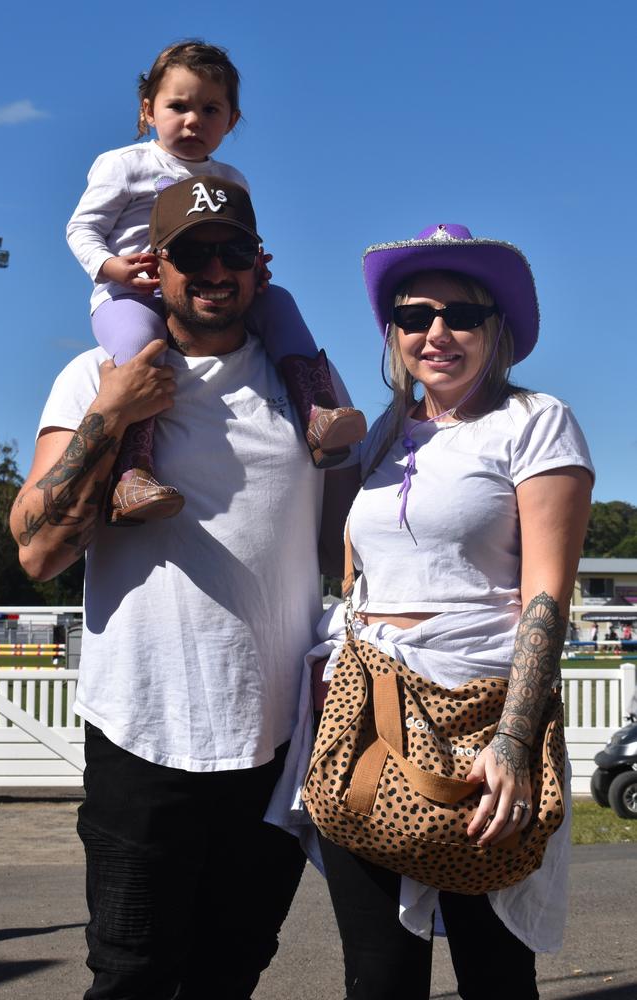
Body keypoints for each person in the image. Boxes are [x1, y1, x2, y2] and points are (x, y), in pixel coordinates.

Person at [11, 175, 359, 1000]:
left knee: (230, 972)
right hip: (144, 731)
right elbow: (36, 550)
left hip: (277, 739)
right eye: (191, 253)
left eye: (231, 249)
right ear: (153, 268)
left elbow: (347, 542)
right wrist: (111, 414)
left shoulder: (302, 384)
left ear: (259, 264)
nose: (214, 269)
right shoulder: (95, 373)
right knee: (131, 976)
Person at [277, 223, 594, 1000]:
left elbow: (546, 595)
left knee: (493, 974)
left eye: (462, 315)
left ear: (500, 330)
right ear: (394, 333)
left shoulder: (536, 421)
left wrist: (515, 742)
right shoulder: (384, 436)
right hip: (366, 717)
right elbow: (353, 570)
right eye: (416, 317)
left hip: (482, 719)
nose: (437, 332)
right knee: (378, 976)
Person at [67, 39, 365, 523]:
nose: (193, 121)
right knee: (143, 347)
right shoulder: (124, 164)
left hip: (207, 293)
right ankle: (132, 473)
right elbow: (81, 227)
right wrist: (110, 266)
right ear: (148, 111)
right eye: (177, 106)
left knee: (280, 303)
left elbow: (242, 238)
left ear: (231, 120)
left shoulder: (231, 178)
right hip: (132, 295)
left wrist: (255, 266)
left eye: (210, 109)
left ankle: (316, 412)